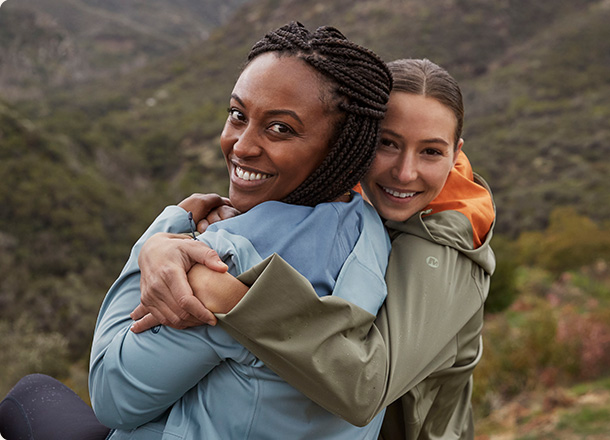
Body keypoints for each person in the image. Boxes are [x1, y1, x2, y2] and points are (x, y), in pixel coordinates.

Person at [0, 22, 393, 440]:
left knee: (30, 393)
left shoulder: (225, 265)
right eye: (238, 115)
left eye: (281, 128)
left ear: (342, 147)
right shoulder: (373, 227)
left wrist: (160, 237)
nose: (241, 145)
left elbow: (112, 395)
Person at [132, 58, 496, 439]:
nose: (405, 172)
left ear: (456, 154)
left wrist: (226, 293)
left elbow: (364, 387)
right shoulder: (352, 198)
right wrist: (160, 244)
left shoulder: (448, 246)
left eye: (431, 152)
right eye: (387, 144)